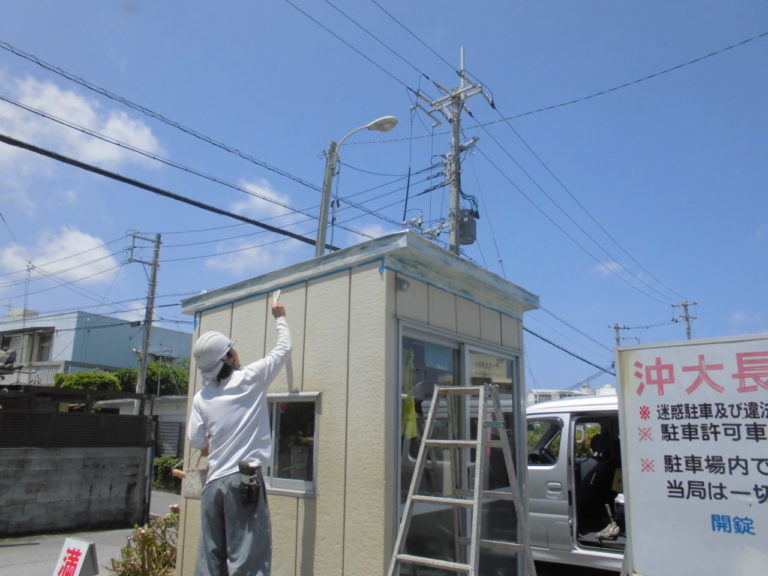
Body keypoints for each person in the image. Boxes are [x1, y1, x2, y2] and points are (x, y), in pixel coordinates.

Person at [187, 300, 291, 576]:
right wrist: (280, 317)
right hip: (242, 484)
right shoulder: (249, 379)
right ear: (228, 358)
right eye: (232, 349)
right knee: (247, 558)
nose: (237, 352)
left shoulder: (202, 397)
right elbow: (283, 350)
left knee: (210, 558)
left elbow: (196, 440)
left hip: (213, 486)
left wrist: (211, 446)